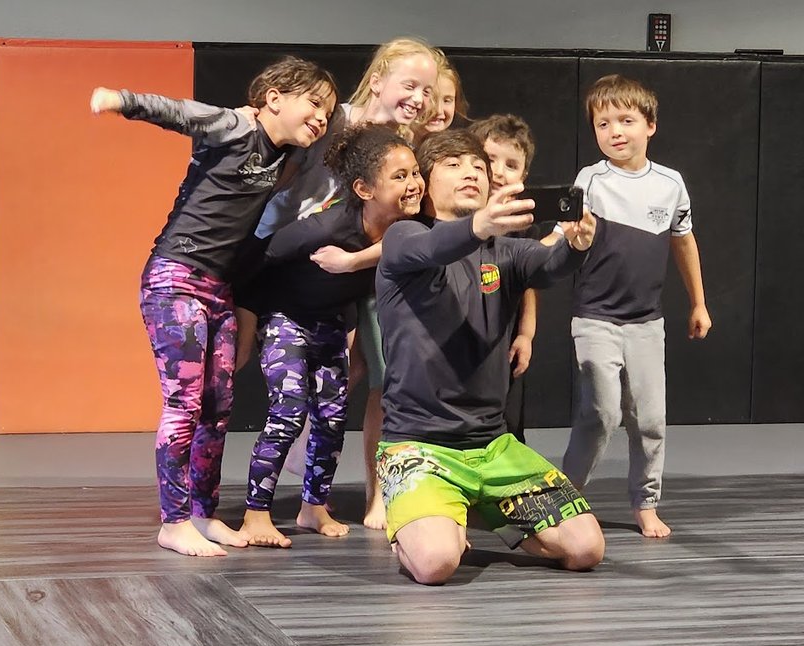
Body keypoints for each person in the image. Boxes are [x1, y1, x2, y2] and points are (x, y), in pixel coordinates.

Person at [89, 57, 337, 557]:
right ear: (273, 98)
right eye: (314, 104)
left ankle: (203, 513)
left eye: (328, 114)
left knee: (218, 407)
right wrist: (121, 100)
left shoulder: (286, 157)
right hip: (175, 279)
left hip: (219, 288)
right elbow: (181, 112)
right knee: (183, 402)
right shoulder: (236, 126)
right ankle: (173, 521)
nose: (321, 118)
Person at [375, 130, 605, 585]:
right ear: (424, 183)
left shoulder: (507, 251)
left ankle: (480, 509)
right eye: (454, 164)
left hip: (494, 447)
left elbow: (550, 265)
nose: (471, 173)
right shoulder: (404, 236)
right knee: (436, 563)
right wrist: (480, 225)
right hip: (418, 447)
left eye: (478, 167)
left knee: (586, 549)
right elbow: (434, 248)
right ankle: (418, 526)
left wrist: (576, 245)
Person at [236, 38, 440, 531]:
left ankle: (313, 507)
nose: (413, 184)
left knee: (330, 415)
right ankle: (256, 512)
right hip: (286, 314)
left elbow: (428, 241)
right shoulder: (323, 224)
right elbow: (260, 259)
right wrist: (248, 321)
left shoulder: (405, 224)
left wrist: (353, 265)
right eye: (410, 84)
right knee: (288, 411)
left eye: (415, 174)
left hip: (331, 318)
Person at [559, 74, 712, 539]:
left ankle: (646, 503)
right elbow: (567, 236)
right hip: (595, 318)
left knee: (649, 420)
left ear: (650, 125)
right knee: (600, 414)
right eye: (603, 124)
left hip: (646, 322)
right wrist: (569, 239)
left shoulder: (670, 184)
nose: (615, 132)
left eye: (626, 120)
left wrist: (699, 303)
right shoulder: (590, 179)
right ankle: (563, 496)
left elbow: (683, 240)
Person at [469, 114, 538, 442]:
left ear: (523, 175)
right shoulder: (458, 217)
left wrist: (526, 335)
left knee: (508, 423)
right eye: (490, 159)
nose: (498, 171)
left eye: (511, 165)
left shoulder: (524, 226)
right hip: (462, 337)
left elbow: (528, 286)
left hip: (504, 339)